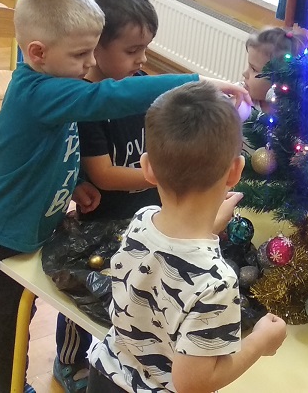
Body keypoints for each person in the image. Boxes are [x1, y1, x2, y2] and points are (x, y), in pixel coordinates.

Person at [0, 0, 249, 393]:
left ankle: (10, 387)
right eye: (81, 54)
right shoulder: (37, 92)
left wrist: (75, 183)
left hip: (19, 241)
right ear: (38, 53)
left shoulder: (52, 89)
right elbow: (106, 98)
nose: (90, 63)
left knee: (13, 329)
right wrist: (196, 82)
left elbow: (47, 153)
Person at [87, 81, 288, 393]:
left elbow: (167, 258)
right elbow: (193, 383)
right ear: (235, 172)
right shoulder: (216, 282)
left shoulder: (141, 220)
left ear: (147, 168)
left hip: (104, 376)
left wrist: (208, 228)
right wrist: (259, 342)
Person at [53, 0, 163, 393]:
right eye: (132, 50)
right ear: (96, 47)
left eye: (145, 49)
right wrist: (161, 175)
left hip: (142, 217)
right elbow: (103, 174)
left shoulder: (140, 86)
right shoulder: (86, 101)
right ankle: (69, 361)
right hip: (99, 225)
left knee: (130, 293)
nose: (142, 60)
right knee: (84, 295)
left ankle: (116, 355)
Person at [240, 27, 305, 115]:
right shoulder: (239, 96)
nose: (244, 74)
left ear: (279, 80)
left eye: (254, 69)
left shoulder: (289, 116)